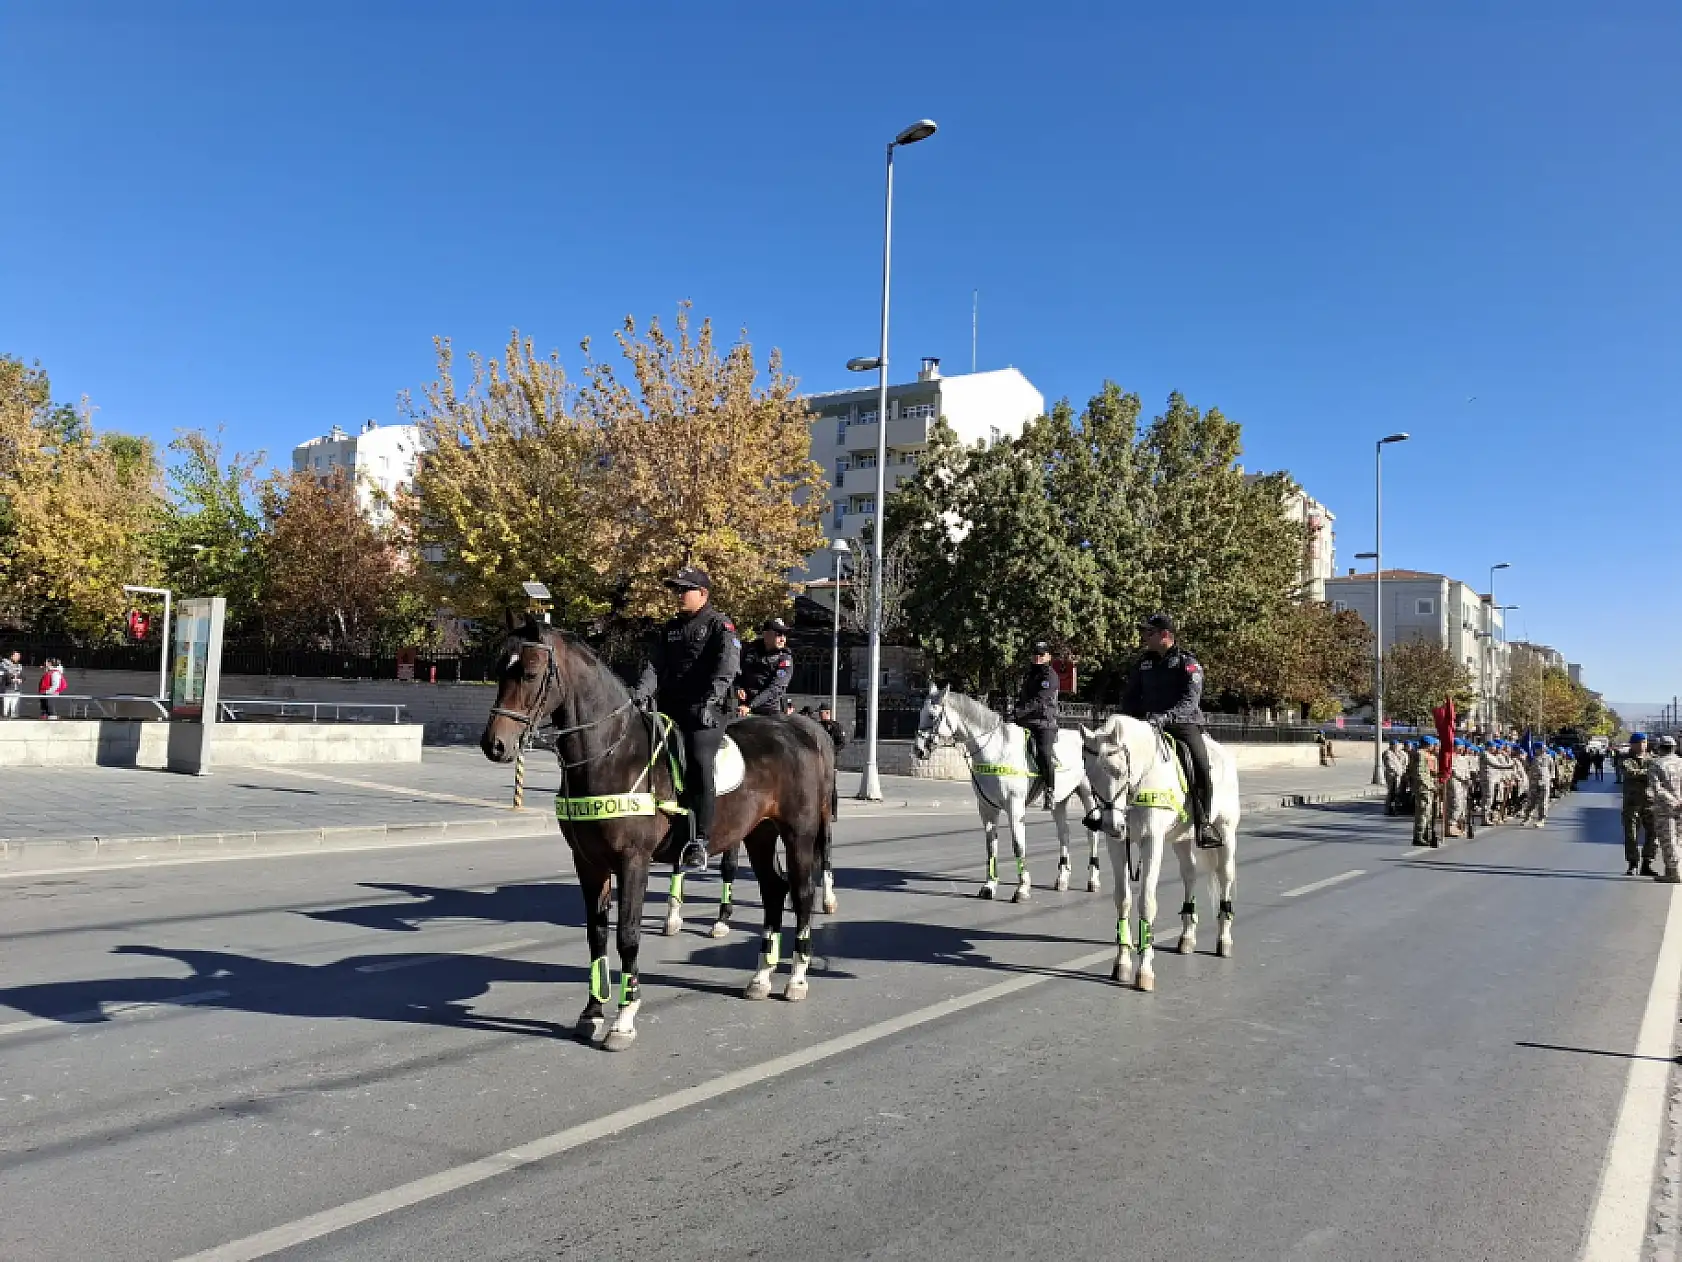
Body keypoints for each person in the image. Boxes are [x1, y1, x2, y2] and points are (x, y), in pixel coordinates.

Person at [632, 568, 741, 872]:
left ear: (703, 594)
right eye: (676, 590)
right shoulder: (669, 629)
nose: (678, 595)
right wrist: (641, 693)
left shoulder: (720, 625)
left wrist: (711, 700)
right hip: (669, 708)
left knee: (697, 759)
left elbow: (727, 666)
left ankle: (700, 840)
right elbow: (654, 666)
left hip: (706, 711)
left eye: (684, 590)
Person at [1121, 614, 1220, 848]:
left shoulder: (1187, 663)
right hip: (1148, 725)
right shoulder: (1144, 662)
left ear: (1165, 635)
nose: (1144, 637)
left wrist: (1166, 717)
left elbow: (1190, 700)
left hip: (1183, 725)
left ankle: (1204, 822)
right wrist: (1125, 719)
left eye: (1149, 633)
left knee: (1200, 766)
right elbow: (1131, 695)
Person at [1014, 641, 1062, 809]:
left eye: (1041, 654)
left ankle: (1050, 791)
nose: (1037, 657)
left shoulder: (1049, 675)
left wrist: (1019, 711)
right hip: (1025, 722)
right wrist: (1015, 712)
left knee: (1044, 754)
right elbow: (1024, 698)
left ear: (1048, 656)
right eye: (1035, 654)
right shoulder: (1029, 674)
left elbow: (1039, 700)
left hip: (1044, 723)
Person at [735, 618, 794, 718]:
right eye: (778, 634)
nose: (783, 639)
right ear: (766, 634)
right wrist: (737, 687)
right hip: (742, 709)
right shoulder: (749, 650)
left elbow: (775, 688)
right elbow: (736, 670)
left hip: (769, 712)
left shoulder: (784, 659)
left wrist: (751, 706)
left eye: (784, 635)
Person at [1621, 733, 1657, 877]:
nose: (1643, 745)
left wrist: (1648, 773)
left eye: (1644, 742)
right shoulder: (1627, 759)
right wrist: (1649, 773)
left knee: (1653, 833)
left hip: (1650, 802)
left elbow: (1659, 774)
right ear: (1632, 744)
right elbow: (1630, 772)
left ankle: (1647, 863)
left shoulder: (1653, 759)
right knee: (1631, 835)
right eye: (1639, 742)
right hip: (1632, 803)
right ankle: (1633, 863)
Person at [1648, 735, 1682, 884]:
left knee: (1668, 841)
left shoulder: (1656, 764)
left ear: (1660, 748)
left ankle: (1674, 873)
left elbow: (1657, 788)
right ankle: (1671, 870)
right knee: (1679, 840)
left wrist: (1673, 801)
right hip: (1681, 807)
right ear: (1674, 747)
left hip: (1665, 808)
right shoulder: (1681, 763)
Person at [1410, 736, 1439, 847]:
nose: (1433, 747)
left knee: (1428, 813)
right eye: (1432, 745)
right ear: (1428, 744)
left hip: (1427, 787)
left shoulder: (1426, 755)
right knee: (1423, 813)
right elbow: (1420, 773)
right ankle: (1419, 836)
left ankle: (1426, 835)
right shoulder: (1420, 754)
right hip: (1423, 788)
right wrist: (1430, 786)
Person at [1527, 744, 1555, 829]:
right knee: (1531, 800)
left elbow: (1552, 769)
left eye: (1543, 748)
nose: (1542, 750)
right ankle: (1527, 817)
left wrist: (1551, 780)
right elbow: (1527, 768)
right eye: (1540, 748)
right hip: (1533, 782)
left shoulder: (1548, 757)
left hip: (1544, 782)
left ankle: (1541, 819)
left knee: (1543, 802)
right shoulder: (1532, 758)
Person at [1382, 739, 1407, 816]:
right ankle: (1388, 809)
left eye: (1397, 746)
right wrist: (1398, 772)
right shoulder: (1388, 753)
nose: (1396, 747)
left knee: (1398, 793)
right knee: (1391, 792)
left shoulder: (1398, 753)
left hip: (1399, 775)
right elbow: (1389, 765)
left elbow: (1404, 761)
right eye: (1394, 746)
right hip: (1391, 775)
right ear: (1391, 746)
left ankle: (1396, 808)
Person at [0, 650, 22, 718]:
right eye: (16, 656)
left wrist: (21, 679)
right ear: (11, 656)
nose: (18, 658)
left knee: (14, 712)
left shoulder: (19, 666)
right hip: (6, 691)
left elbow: (23, 676)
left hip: (16, 691)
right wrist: (11, 679)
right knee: (4, 711)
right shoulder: (3, 665)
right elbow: (2, 676)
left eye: (19, 656)